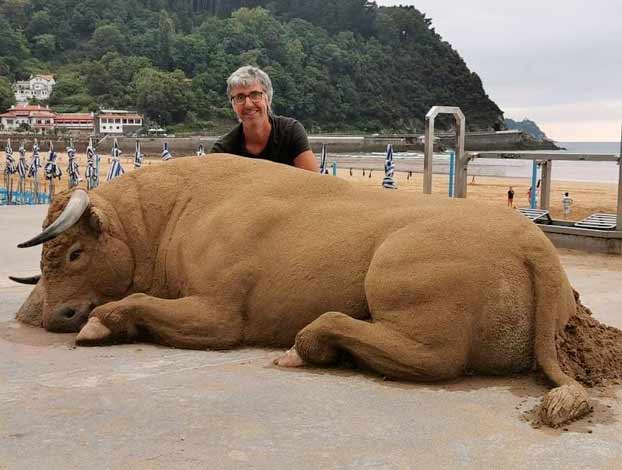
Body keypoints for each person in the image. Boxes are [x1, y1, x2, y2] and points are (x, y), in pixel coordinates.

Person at [210, 65, 319, 172]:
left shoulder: (290, 132)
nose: (248, 104)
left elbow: (314, 183)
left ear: (268, 99)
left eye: (255, 95)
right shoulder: (223, 150)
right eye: (240, 97)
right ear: (233, 105)